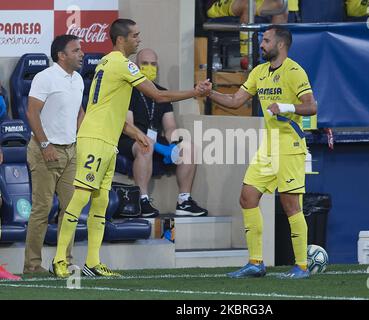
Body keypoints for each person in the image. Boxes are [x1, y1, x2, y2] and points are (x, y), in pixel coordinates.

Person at [51, 18, 210, 278]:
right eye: (135, 35)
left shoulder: (105, 62)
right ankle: (58, 260)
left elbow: (107, 107)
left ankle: (93, 262)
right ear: (121, 40)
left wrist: (135, 132)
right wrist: (195, 92)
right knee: (80, 198)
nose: (139, 39)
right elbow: (158, 96)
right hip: (95, 139)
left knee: (100, 202)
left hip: (107, 140)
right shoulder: (121, 64)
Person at [206, 25, 317, 279]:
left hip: (289, 147)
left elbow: (311, 107)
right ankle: (256, 263)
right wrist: (208, 93)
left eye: (266, 40)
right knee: (247, 198)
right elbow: (235, 101)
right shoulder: (259, 72)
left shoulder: (294, 71)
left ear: (280, 44)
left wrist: (287, 106)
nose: (261, 44)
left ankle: (301, 266)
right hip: (268, 147)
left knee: (290, 206)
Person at [118, 48, 208, 217]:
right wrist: (153, 144)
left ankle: (184, 201)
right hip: (130, 138)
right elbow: (128, 125)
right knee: (145, 146)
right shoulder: (128, 90)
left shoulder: (162, 92)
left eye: (153, 64)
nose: (149, 67)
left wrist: (173, 143)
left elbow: (170, 126)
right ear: (135, 66)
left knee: (189, 148)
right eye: (144, 64)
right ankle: (142, 200)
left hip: (154, 140)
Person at [23, 34, 85, 275]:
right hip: (44, 151)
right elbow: (32, 113)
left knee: (70, 210)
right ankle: (32, 265)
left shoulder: (78, 79)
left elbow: (79, 111)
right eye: (76, 50)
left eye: (81, 50)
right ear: (62, 55)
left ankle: (63, 262)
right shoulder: (45, 77)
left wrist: (79, 138)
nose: (82, 54)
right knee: (42, 209)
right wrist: (45, 144)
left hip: (71, 151)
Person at [206, 0, 289, 69]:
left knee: (281, 7)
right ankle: (247, 56)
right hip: (225, 4)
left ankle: (273, 53)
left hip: (254, 2)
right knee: (249, 5)